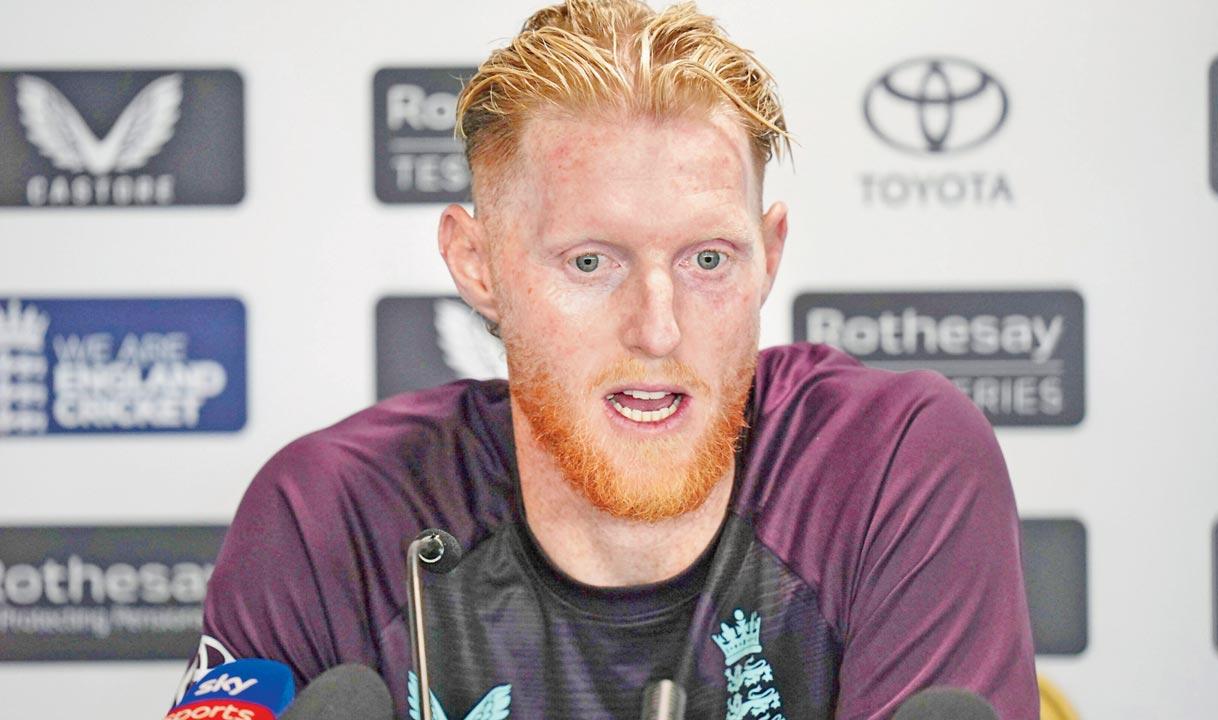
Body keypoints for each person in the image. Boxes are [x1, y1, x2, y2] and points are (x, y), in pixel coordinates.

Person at [179, 1, 1039, 717]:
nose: (658, 330)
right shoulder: (327, 517)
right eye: (591, 262)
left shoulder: (887, 463)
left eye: (709, 259)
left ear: (769, 255)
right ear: (477, 263)